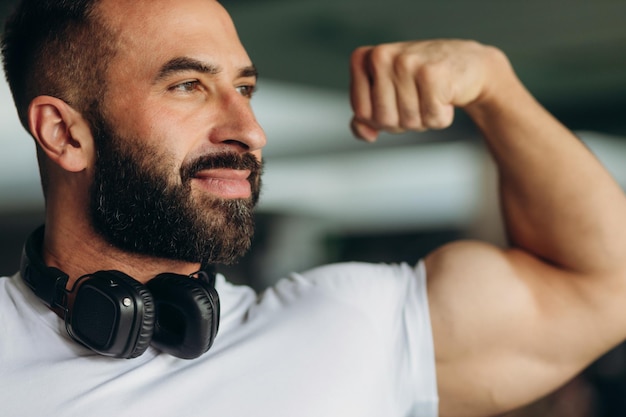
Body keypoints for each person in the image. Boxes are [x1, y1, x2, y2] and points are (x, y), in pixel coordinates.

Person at [1, 0, 625, 416]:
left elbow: (606, 286)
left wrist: (496, 86)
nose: (248, 130)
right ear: (64, 133)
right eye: (188, 85)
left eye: (244, 88)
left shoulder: (345, 327)